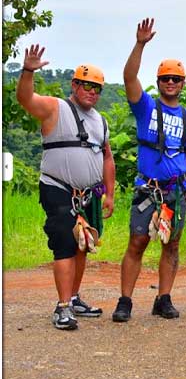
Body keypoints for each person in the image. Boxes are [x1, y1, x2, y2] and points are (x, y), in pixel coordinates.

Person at [16, 44, 116, 330]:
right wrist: (28, 71)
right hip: (58, 189)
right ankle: (62, 307)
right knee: (66, 245)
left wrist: (109, 193)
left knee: (84, 245)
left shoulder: (101, 121)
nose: (92, 92)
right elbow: (25, 99)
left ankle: (73, 298)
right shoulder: (55, 108)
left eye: (96, 87)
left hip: (89, 193)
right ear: (74, 84)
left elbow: (107, 157)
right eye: (86, 85)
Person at [112, 18, 186, 322]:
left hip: (176, 190)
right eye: (165, 79)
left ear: (183, 83)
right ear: (159, 81)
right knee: (137, 241)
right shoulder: (147, 107)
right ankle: (125, 301)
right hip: (148, 187)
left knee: (171, 243)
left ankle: (163, 298)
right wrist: (140, 44)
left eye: (175, 79)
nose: (170, 83)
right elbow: (129, 78)